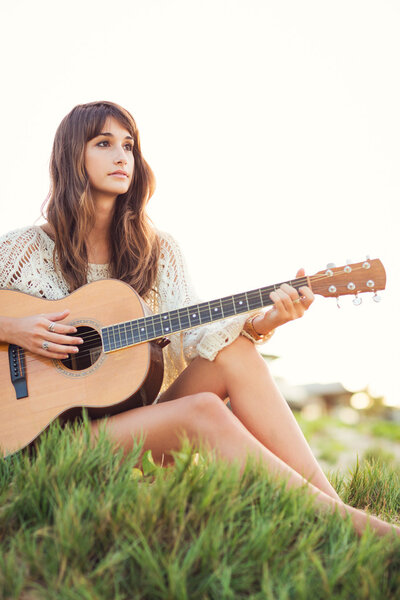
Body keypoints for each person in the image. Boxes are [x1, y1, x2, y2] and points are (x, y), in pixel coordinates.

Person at [0, 100, 398, 540]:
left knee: (237, 351)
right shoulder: (24, 251)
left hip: (130, 425)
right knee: (203, 410)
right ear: (72, 156)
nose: (121, 156)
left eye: (129, 145)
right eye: (104, 143)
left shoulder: (158, 252)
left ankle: (339, 518)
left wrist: (265, 322)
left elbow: (200, 336)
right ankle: (353, 528)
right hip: (46, 444)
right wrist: (13, 328)